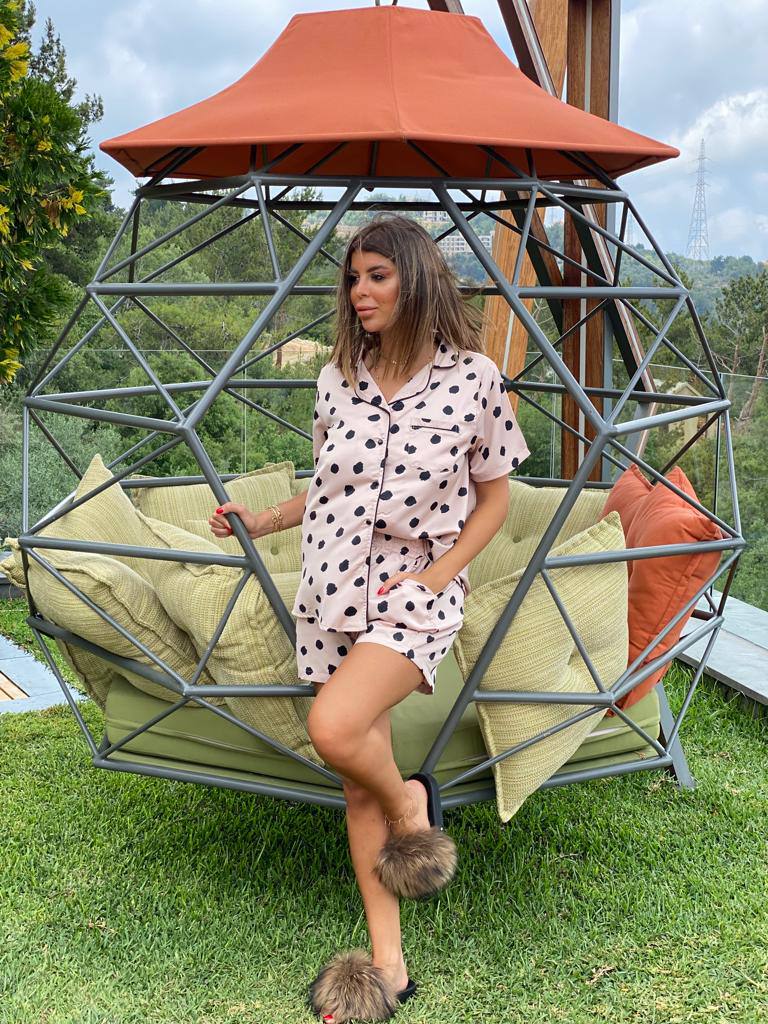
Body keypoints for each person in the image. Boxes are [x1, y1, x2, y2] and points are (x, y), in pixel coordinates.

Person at [208, 214, 530, 1023]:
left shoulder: (476, 380)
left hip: (410, 599)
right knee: (356, 786)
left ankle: (410, 808)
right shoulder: (335, 379)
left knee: (334, 727)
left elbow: (496, 499)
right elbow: (330, 487)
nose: (358, 293)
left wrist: (438, 575)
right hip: (329, 593)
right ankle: (389, 967)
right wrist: (263, 519)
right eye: (353, 278)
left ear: (416, 277)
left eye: (376, 276)